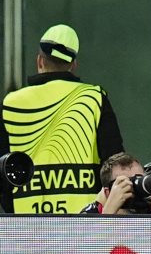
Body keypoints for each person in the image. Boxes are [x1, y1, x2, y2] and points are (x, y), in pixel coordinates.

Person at [0, 24, 124, 214]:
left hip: (26, 226)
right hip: (84, 222)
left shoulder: (11, 103)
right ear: (73, 65)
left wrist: (11, 210)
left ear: (39, 61)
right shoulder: (93, 98)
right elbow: (115, 163)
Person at [80, 152, 151, 215]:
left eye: (139, 180)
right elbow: (85, 251)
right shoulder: (89, 215)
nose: (134, 187)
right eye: (125, 183)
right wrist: (109, 212)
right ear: (108, 193)